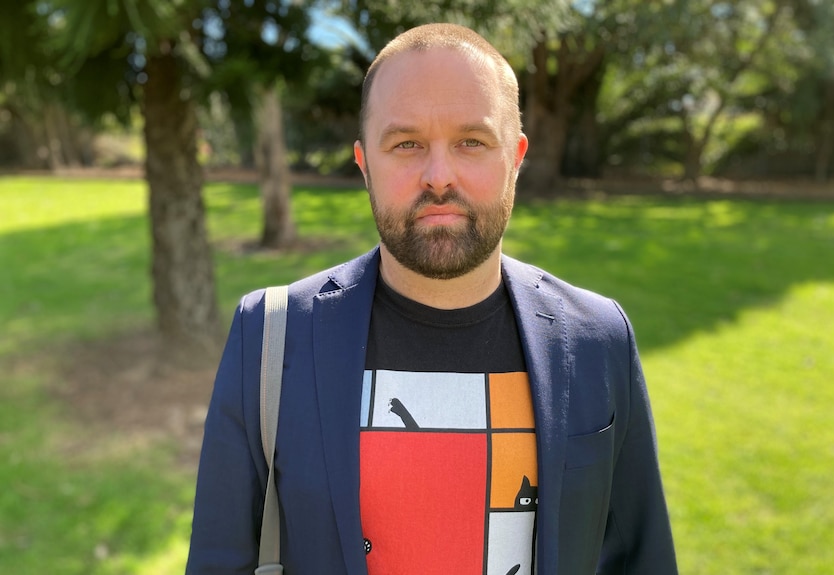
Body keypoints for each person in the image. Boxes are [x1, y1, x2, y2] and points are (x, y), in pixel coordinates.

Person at [186, 23, 677, 575]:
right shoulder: (270, 337)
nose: (439, 177)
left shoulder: (597, 338)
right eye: (407, 144)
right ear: (364, 162)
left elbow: (641, 558)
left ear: (515, 157)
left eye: (472, 141)